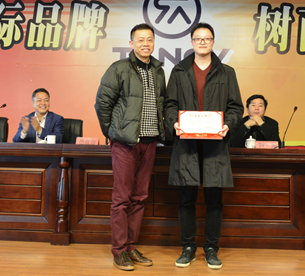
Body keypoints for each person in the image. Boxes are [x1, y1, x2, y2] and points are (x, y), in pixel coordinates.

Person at [165, 23, 243, 270]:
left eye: (206, 38)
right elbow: (169, 104)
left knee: (214, 200)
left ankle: (211, 248)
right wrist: (174, 122)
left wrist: (228, 124)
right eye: (198, 38)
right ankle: (188, 247)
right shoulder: (179, 71)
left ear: (213, 42)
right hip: (186, 143)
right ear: (191, 42)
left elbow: (235, 107)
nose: (202, 42)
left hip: (215, 144)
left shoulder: (226, 72)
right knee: (186, 199)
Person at [95, 23, 166, 271]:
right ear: (131, 43)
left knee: (139, 198)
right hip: (125, 144)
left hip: (150, 141)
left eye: (149, 39)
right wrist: (113, 133)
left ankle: (131, 247)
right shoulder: (119, 68)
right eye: (140, 39)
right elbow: (102, 104)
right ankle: (119, 250)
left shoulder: (158, 70)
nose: (146, 43)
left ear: (154, 42)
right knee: (122, 199)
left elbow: (161, 104)